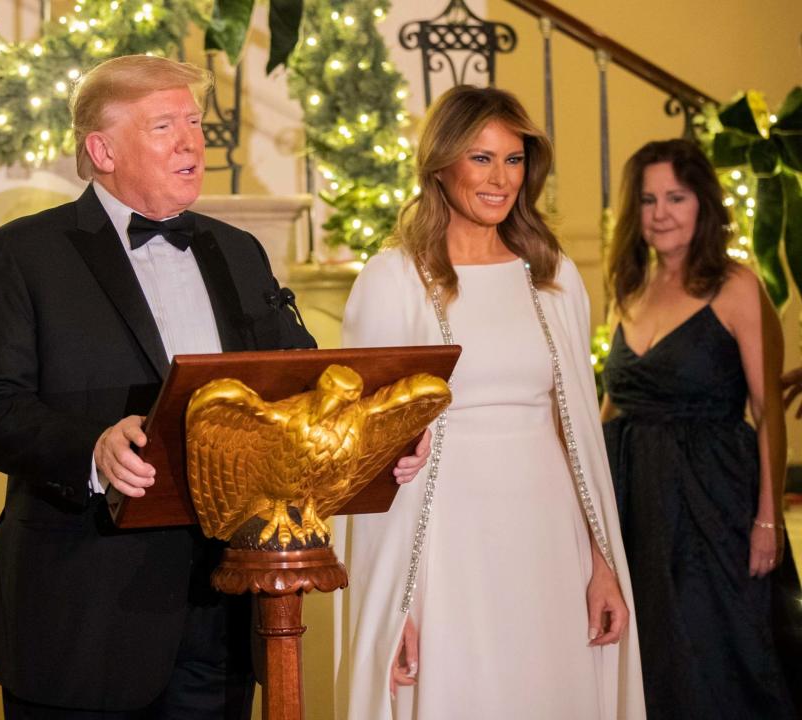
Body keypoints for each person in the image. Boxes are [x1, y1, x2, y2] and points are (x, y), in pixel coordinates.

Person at [0, 55, 429, 719]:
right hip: (84, 611)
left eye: (195, 124)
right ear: (101, 149)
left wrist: (377, 439)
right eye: (163, 126)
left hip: (225, 602)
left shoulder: (238, 251)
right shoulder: (22, 256)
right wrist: (92, 449)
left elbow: (297, 381)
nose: (191, 142)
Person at [337, 85, 645, 719]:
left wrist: (601, 563)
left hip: (547, 539)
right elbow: (364, 457)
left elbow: (573, 435)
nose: (501, 178)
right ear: (440, 164)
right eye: (481, 158)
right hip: (446, 548)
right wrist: (394, 603)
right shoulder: (393, 280)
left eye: (514, 159)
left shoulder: (552, 274)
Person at [601, 138, 800, 718]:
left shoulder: (736, 286)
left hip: (714, 500)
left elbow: (767, 413)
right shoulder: (629, 288)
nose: (660, 212)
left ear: (703, 204)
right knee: (651, 659)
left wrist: (768, 519)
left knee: (718, 653)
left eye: (677, 197)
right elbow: (612, 407)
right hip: (634, 499)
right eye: (648, 199)